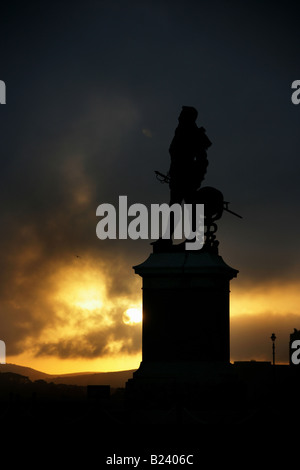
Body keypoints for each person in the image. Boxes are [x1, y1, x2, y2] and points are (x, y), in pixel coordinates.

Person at [168, 106, 211, 238]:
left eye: (182, 114)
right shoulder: (180, 131)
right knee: (175, 206)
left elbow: (202, 159)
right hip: (177, 176)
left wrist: (196, 178)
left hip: (187, 178)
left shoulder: (194, 133)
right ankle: (167, 236)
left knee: (190, 208)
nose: (179, 117)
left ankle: (192, 237)